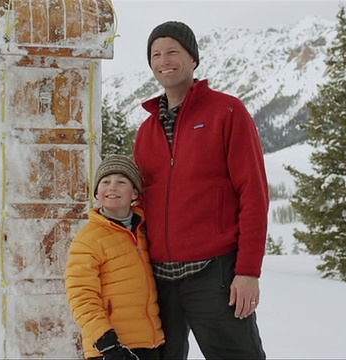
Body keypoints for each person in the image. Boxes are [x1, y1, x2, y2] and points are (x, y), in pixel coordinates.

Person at [133, 20, 269, 359]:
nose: (164, 60)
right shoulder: (146, 131)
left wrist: (248, 271)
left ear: (193, 58)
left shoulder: (227, 111)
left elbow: (253, 194)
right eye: (156, 54)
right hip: (160, 279)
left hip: (215, 275)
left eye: (172, 52)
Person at [65, 155, 165, 360]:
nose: (112, 187)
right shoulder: (89, 238)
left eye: (121, 182)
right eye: (105, 182)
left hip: (149, 343)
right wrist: (106, 342)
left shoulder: (145, 231)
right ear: (97, 192)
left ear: (134, 192)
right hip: (111, 349)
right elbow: (81, 295)